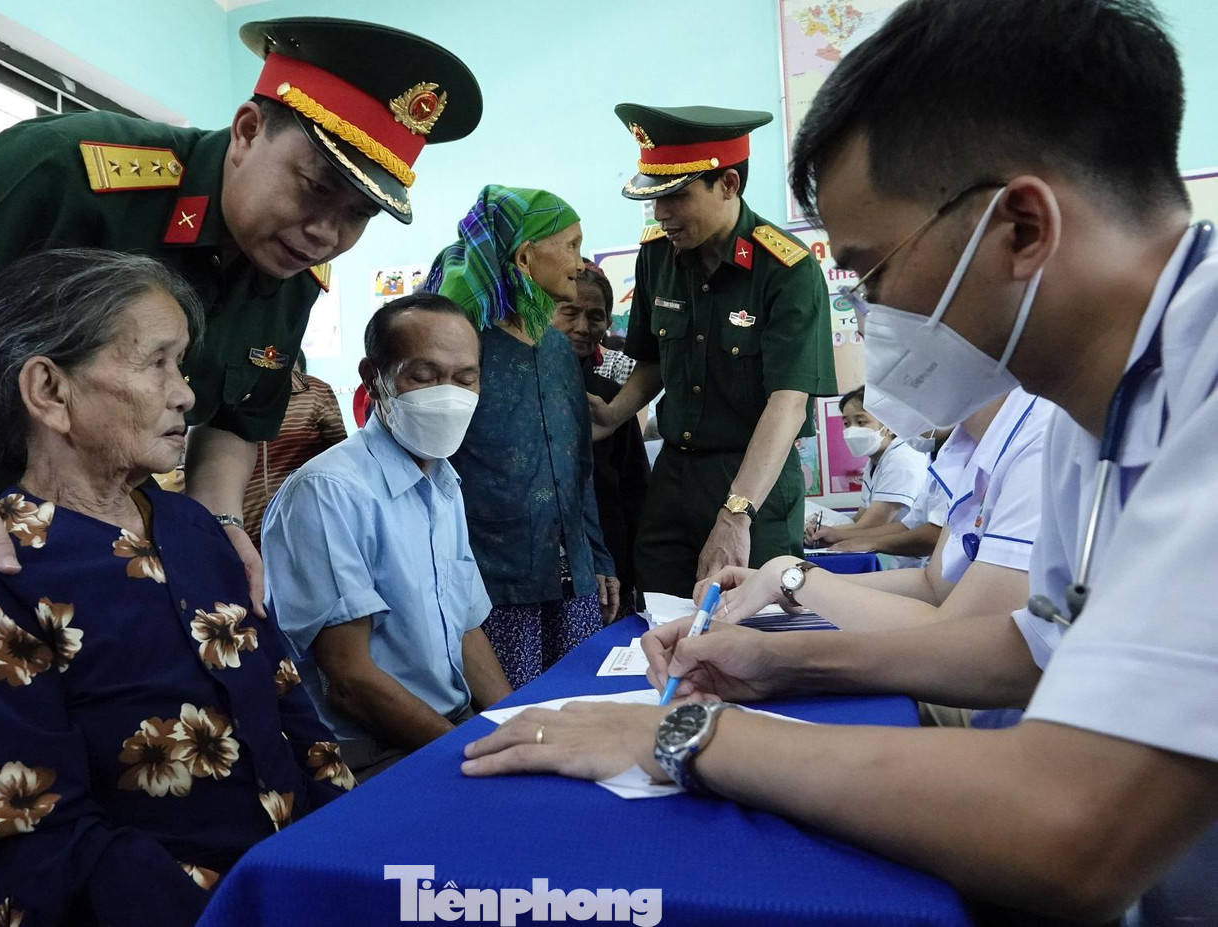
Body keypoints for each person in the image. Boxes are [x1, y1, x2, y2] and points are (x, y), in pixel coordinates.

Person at [459, 1, 1218, 921]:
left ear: (1021, 227)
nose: (870, 314)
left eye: (872, 271)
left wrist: (685, 731)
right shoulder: (1089, 413)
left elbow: (1075, 823)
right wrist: (785, 667)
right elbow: (1031, 648)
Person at [0, 17, 483, 727]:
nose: (327, 231)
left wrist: (215, 523)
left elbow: (237, 417)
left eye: (358, 216)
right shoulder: (70, 169)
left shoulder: (289, 266)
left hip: (101, 535)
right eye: (314, 187)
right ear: (246, 132)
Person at [0, 249, 352, 927]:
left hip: (289, 882)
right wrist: (247, 906)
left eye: (181, 366)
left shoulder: (195, 528)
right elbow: (41, 836)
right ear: (51, 392)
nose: (185, 393)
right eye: (158, 363)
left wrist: (349, 849)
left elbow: (292, 708)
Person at [589, 105, 838, 597]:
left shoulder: (785, 270)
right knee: (656, 620)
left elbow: (788, 404)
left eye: (676, 197)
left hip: (751, 483)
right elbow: (654, 360)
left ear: (727, 184)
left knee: (753, 629)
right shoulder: (658, 256)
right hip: (673, 477)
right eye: (655, 199)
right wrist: (613, 413)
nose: (661, 214)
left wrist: (736, 515)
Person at [264, 294, 513, 780]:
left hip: (444, 728)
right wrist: (470, 751)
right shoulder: (329, 493)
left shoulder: (443, 483)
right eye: (423, 376)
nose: (448, 395)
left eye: (465, 379)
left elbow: (464, 627)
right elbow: (350, 682)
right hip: (368, 751)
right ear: (372, 376)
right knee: (417, 861)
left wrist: (513, 723)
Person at [704, 386, 1051, 728]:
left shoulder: (1038, 440)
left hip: (1015, 726)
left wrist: (794, 579)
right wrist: (787, 580)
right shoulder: (974, 445)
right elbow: (934, 583)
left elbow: (970, 649)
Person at [424, 185, 618, 687]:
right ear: (526, 256)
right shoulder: (465, 349)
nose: (580, 262)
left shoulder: (558, 349)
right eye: (571, 246)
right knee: (514, 714)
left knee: (582, 704)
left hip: (571, 580)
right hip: (492, 585)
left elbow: (579, 465)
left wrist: (594, 556)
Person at [551, 262, 651, 619]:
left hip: (613, 572)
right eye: (569, 312)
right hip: (545, 576)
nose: (582, 327)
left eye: (595, 316)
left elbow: (635, 490)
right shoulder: (521, 396)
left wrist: (639, 581)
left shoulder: (612, 400)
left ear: (608, 324)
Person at [242, 351, 347, 551]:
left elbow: (341, 460)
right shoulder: (226, 393)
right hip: (244, 535)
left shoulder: (315, 392)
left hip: (306, 535)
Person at [807, 386, 927, 543]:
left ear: (889, 425)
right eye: (846, 423)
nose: (851, 430)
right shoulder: (875, 462)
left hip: (909, 558)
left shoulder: (902, 460)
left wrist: (823, 533)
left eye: (861, 422)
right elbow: (860, 520)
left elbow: (872, 525)